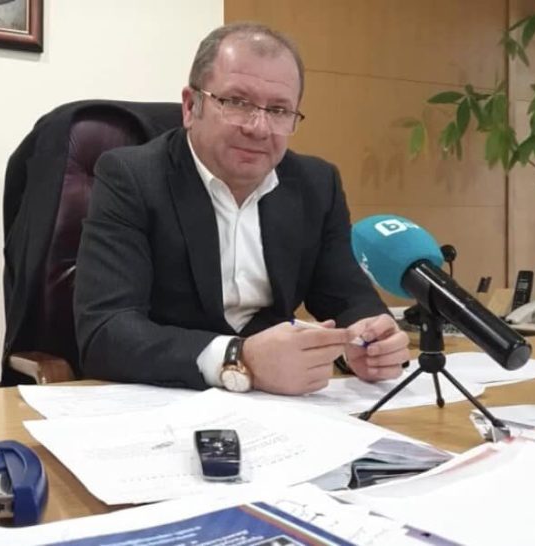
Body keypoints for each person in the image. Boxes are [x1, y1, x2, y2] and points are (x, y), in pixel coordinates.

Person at [73, 22, 409, 395]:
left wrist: (370, 340)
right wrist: (239, 357)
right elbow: (106, 332)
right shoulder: (132, 177)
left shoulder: (316, 184)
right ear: (191, 106)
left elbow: (348, 296)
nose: (259, 128)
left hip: (278, 407)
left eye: (279, 110)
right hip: (160, 398)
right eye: (237, 102)